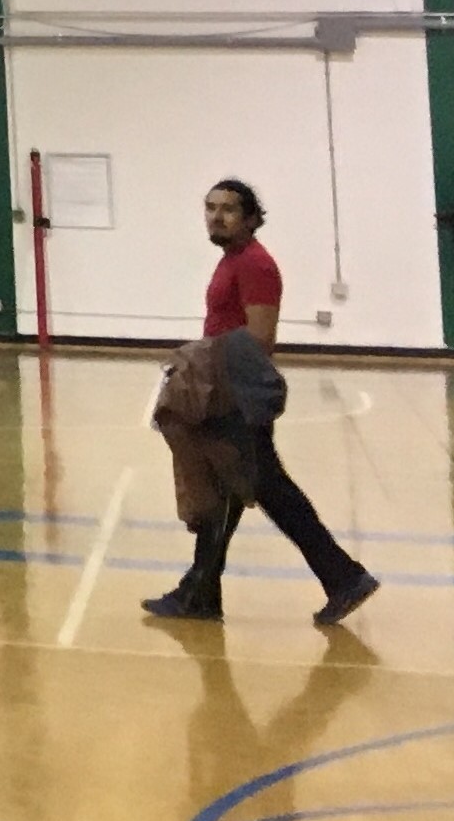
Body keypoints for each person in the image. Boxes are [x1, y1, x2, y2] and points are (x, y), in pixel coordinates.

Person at [142, 180, 377, 626]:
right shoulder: (233, 260)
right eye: (210, 208)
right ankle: (201, 592)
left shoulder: (255, 265)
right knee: (231, 492)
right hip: (223, 390)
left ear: (251, 218)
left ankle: (344, 576)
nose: (216, 216)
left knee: (267, 490)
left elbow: (261, 339)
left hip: (235, 395)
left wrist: (201, 359)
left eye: (228, 209)